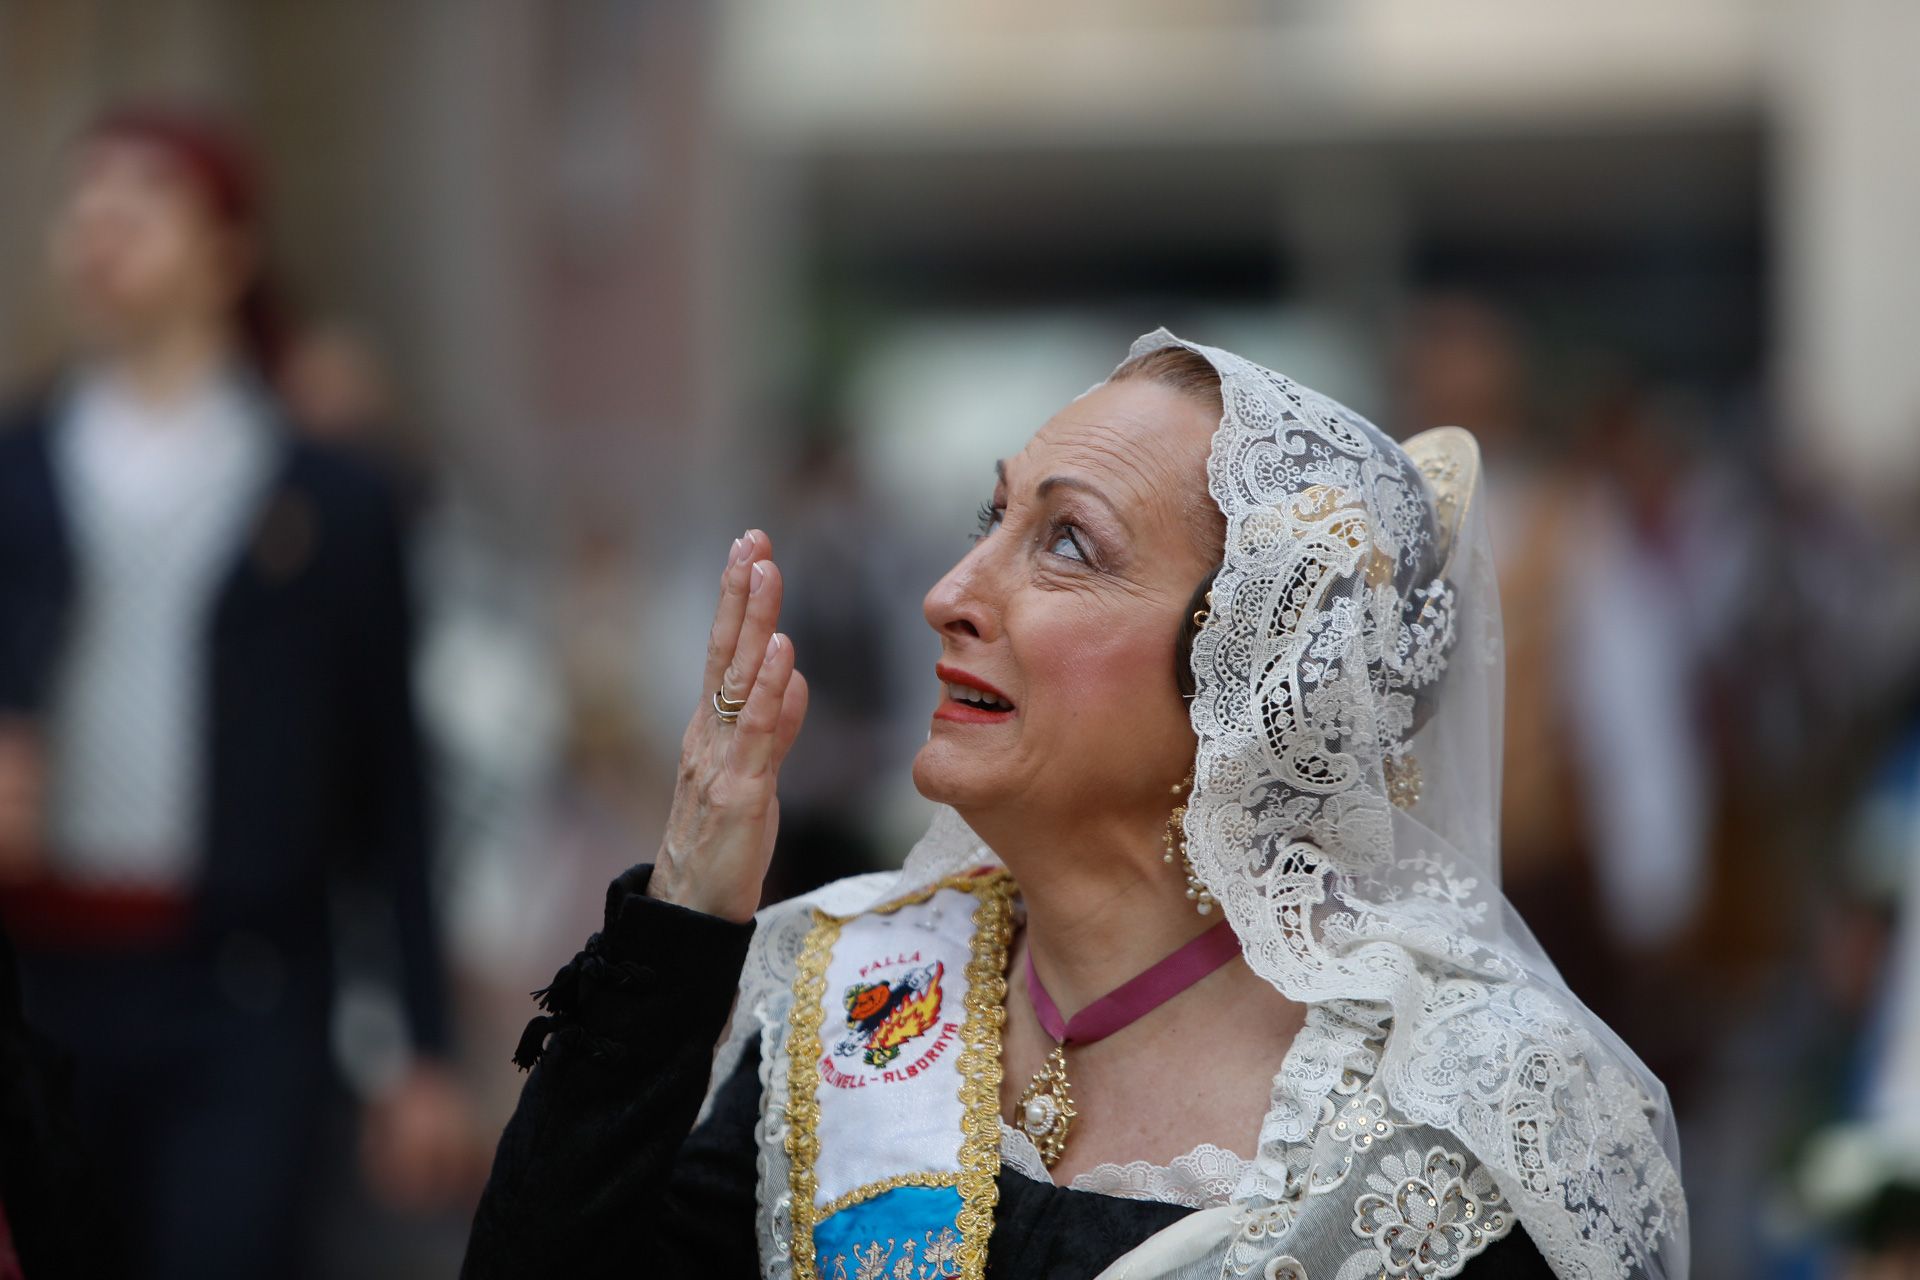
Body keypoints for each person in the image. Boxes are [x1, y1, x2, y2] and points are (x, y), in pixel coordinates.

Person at [462, 332, 1690, 1279]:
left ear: (1258, 679)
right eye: (993, 518)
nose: (951, 592)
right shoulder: (855, 998)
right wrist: (689, 897)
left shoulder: (1471, 1113)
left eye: (1069, 544)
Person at [0, 103, 466, 1276]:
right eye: (83, 202)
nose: (101, 229)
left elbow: (394, 786)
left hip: (245, 992)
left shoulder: (331, 499)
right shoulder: (15, 467)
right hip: (38, 975)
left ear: (227, 248)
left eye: (142, 201)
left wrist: (422, 1047)